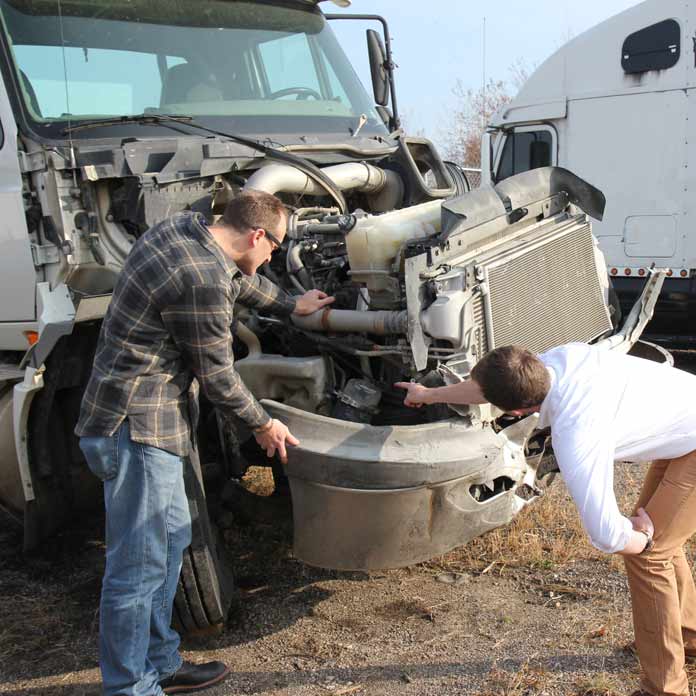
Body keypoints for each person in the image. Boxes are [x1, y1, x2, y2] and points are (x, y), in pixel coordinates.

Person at [76, 189, 334, 696]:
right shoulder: (201, 278)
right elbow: (217, 374)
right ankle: (130, 687)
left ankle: (161, 663)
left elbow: (238, 280)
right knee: (136, 568)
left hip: (153, 425)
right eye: (276, 246)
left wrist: (289, 304)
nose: (274, 256)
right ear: (257, 234)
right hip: (137, 429)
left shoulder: (183, 230)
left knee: (170, 545)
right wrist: (263, 424)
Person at [396, 342, 696, 696]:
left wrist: (642, 538)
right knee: (661, 543)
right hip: (682, 430)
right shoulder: (552, 360)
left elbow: (608, 536)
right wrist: (428, 394)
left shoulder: (577, 432)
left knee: (648, 556)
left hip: (689, 438)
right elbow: (488, 384)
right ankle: (688, 638)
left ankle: (665, 689)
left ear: (523, 410)